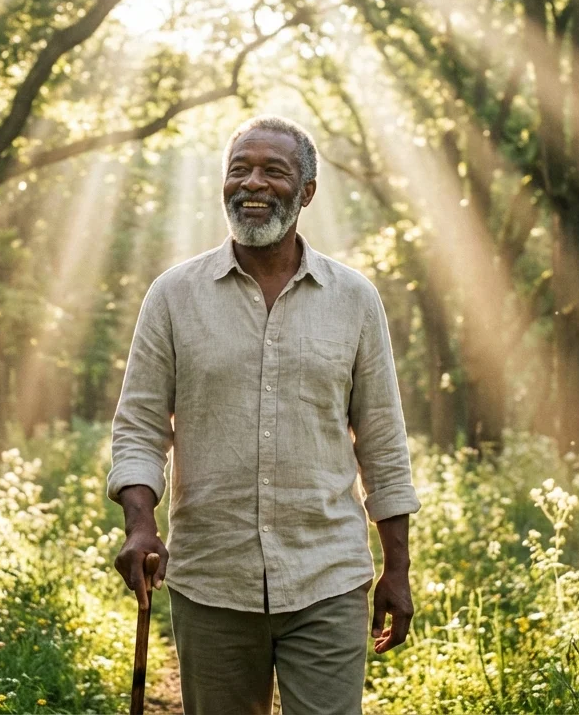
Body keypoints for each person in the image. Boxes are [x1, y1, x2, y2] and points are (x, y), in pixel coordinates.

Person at [108, 115, 420, 714]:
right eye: (239, 170)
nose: (252, 183)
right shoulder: (173, 296)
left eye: (273, 171)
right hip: (212, 580)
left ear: (306, 192)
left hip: (327, 576)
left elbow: (382, 442)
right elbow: (141, 427)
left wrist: (397, 570)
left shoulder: (354, 300)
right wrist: (140, 525)